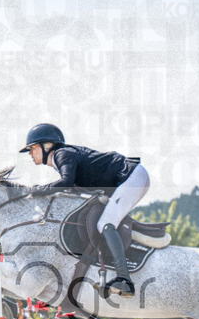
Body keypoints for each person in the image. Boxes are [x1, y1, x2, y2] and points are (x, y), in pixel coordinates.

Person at [20, 123, 150, 298]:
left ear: (47, 146)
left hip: (132, 176)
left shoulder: (62, 154)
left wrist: (38, 190)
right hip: (128, 179)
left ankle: (124, 280)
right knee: (104, 221)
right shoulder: (63, 158)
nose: (29, 153)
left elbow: (66, 183)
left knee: (105, 223)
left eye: (32, 148)